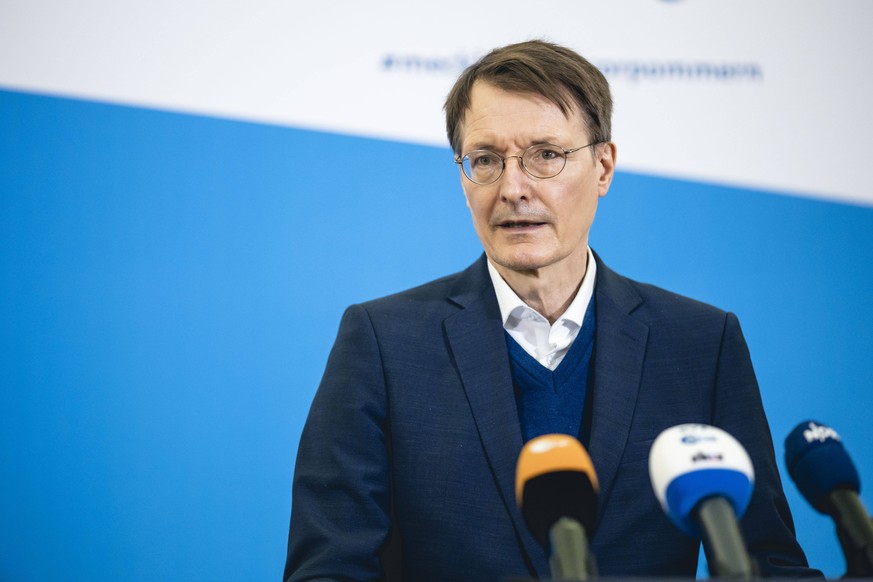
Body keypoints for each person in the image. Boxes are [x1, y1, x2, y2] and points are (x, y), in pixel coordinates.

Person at [283, 39, 817, 581]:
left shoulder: (700, 343)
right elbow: (330, 567)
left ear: (603, 167)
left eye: (545, 155)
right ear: (462, 178)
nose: (514, 189)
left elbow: (768, 563)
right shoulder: (382, 342)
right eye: (486, 160)